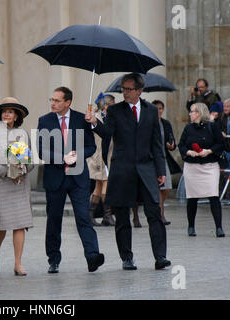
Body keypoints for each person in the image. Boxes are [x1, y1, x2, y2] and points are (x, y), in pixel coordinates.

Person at [85, 73, 170, 271]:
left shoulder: (150, 111)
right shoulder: (115, 110)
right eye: (123, 88)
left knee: (154, 213)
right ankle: (127, 258)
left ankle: (160, 256)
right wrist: (94, 122)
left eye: (129, 89)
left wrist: (160, 169)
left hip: (146, 169)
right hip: (122, 169)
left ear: (139, 90)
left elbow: (157, 143)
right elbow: (107, 133)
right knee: (122, 216)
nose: (125, 92)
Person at [37, 86, 105, 274]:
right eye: (51, 99)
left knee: (83, 217)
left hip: (78, 179)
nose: (53, 103)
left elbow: (91, 147)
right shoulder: (45, 120)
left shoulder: (81, 119)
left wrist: (78, 155)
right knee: (54, 220)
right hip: (55, 178)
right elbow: (42, 150)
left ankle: (92, 256)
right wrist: (62, 158)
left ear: (68, 102)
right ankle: (53, 259)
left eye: (57, 100)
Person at [0, 97, 34, 276]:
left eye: (10, 111)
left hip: (19, 184)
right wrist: (6, 172)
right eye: (4, 111)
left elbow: (32, 159)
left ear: (16, 115)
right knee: (1, 225)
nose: (7, 114)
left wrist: (24, 168)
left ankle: (18, 264)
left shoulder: (23, 134)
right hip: (2, 183)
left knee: (20, 224)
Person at [178, 102, 226, 237]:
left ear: (199, 113)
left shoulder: (213, 127)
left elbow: (221, 144)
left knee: (213, 195)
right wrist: (189, 152)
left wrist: (209, 151)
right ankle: (191, 226)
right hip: (192, 166)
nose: (190, 114)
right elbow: (181, 145)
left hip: (209, 165)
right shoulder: (188, 128)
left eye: (192, 111)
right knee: (192, 197)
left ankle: (219, 227)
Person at [132, 100, 182, 226]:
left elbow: (171, 139)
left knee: (166, 187)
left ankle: (160, 213)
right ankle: (137, 216)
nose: (159, 110)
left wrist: (171, 145)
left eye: (161, 108)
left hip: (162, 157)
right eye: (156, 108)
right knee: (138, 189)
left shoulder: (165, 123)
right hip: (147, 158)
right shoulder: (144, 122)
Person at [87, 93, 115, 226]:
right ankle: (107, 215)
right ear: (105, 106)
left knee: (98, 186)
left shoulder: (110, 118)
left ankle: (91, 215)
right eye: (112, 105)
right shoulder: (96, 118)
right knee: (106, 184)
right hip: (98, 157)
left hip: (107, 156)